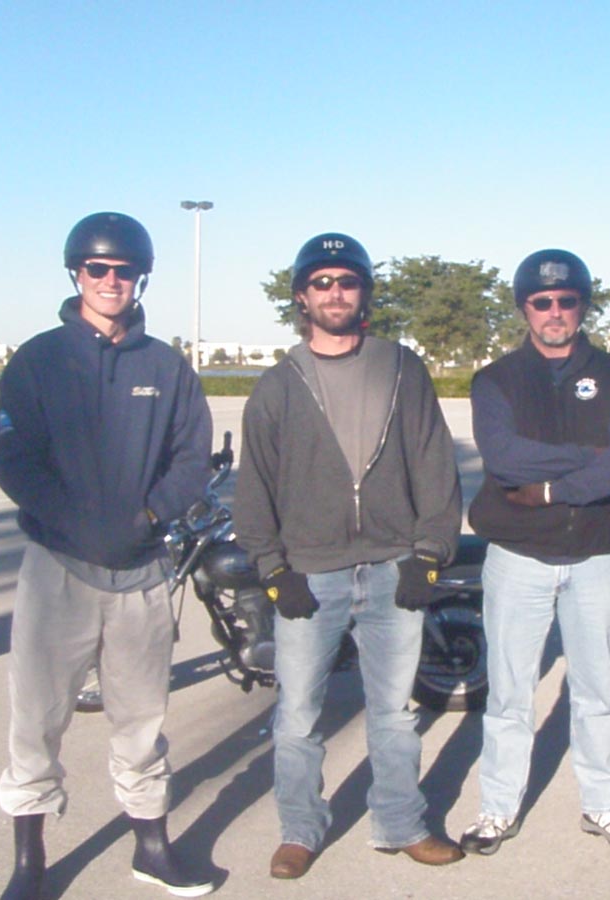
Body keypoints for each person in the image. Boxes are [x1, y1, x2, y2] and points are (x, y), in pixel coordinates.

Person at [0, 212, 215, 899]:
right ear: (76, 273)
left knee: (141, 721)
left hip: (142, 572)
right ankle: (30, 859)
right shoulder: (38, 360)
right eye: (97, 269)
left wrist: (148, 516)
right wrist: (76, 522)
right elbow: (15, 460)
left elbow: (191, 459)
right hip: (57, 569)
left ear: (140, 278)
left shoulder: (167, 368)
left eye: (124, 270)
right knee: (37, 720)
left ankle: (152, 846)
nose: (110, 280)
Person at [232, 232, 464, 880]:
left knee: (394, 715)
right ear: (302, 297)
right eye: (322, 282)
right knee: (297, 718)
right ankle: (300, 830)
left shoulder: (402, 368)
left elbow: (434, 464)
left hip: (393, 567)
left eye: (348, 281)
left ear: (365, 293)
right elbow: (253, 490)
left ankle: (401, 823)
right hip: (311, 573)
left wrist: (429, 553)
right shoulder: (277, 386)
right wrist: (274, 570)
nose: (336, 292)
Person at [460, 249, 610, 856]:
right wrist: (588, 459)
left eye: (566, 300)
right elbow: (503, 458)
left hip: (596, 557)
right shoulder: (495, 380)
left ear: (582, 306)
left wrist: (551, 488)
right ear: (525, 308)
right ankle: (497, 809)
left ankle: (604, 804)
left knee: (598, 691)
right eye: (542, 301)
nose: (554, 311)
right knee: (509, 694)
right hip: (517, 557)